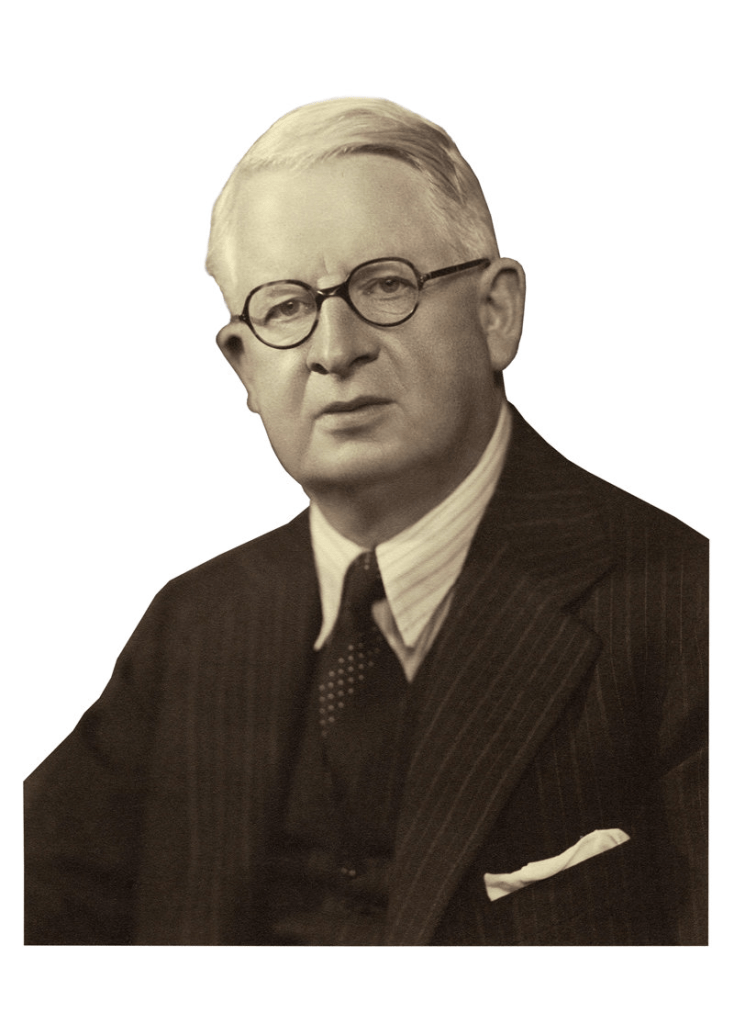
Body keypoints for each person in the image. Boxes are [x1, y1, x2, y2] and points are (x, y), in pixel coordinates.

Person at [24, 97, 707, 946]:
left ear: (496, 313)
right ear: (242, 365)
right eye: (284, 308)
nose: (334, 348)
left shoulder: (689, 612)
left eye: (386, 285)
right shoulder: (193, 623)